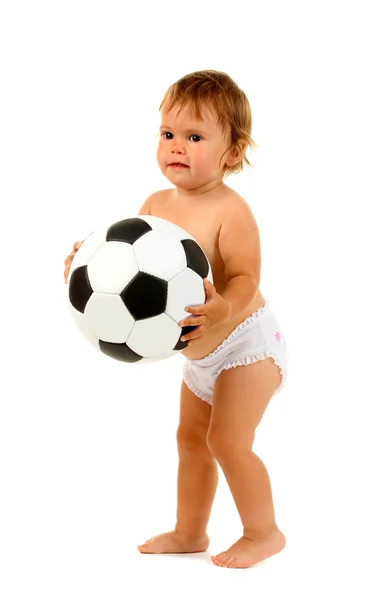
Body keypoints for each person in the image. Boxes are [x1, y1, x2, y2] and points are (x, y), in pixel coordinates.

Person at [64, 70, 289, 569]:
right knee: (190, 441)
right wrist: (85, 264)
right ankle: (191, 531)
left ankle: (264, 532)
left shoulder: (232, 211)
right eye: (168, 134)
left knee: (227, 441)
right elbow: (125, 261)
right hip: (200, 354)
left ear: (233, 152)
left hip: (248, 343)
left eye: (194, 137)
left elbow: (247, 278)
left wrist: (224, 308)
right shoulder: (155, 206)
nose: (176, 147)